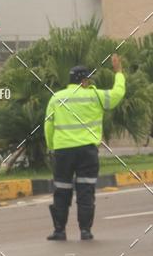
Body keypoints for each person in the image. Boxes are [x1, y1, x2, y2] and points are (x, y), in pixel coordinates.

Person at [45, 53, 126, 241]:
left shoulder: (57, 98)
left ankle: (59, 231)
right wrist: (119, 73)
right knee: (86, 190)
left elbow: (48, 125)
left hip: (63, 151)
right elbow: (117, 94)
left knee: (61, 189)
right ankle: (85, 231)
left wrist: (51, 147)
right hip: (87, 152)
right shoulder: (95, 96)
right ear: (84, 81)